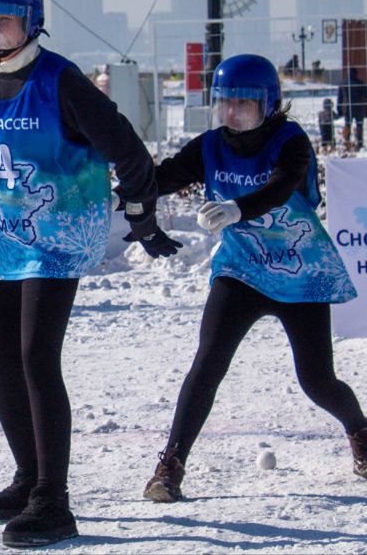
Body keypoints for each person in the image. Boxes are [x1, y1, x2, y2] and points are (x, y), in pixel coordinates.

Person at [0, 0, 181, 548]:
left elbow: (129, 151)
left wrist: (141, 216)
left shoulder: (61, 81)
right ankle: (27, 476)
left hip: (56, 238)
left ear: (31, 21)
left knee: (36, 357)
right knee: (2, 362)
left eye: (3, 19)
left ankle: (52, 500)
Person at [142, 54, 366, 502]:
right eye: (224, 102)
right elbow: (164, 177)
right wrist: (119, 190)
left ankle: (360, 431)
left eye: (243, 103)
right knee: (207, 363)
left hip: (301, 274)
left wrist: (237, 209)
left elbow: (281, 187)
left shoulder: (290, 141)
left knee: (317, 380)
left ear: (269, 104)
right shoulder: (210, 145)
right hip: (242, 269)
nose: (232, 112)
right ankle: (170, 465)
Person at [337, 66, 366, 150]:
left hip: (347, 109)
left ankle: (347, 142)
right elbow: (365, 96)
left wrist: (339, 109)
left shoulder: (343, 84)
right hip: (359, 108)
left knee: (347, 125)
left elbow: (340, 98)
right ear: (356, 73)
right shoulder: (360, 83)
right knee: (359, 126)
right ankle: (360, 143)